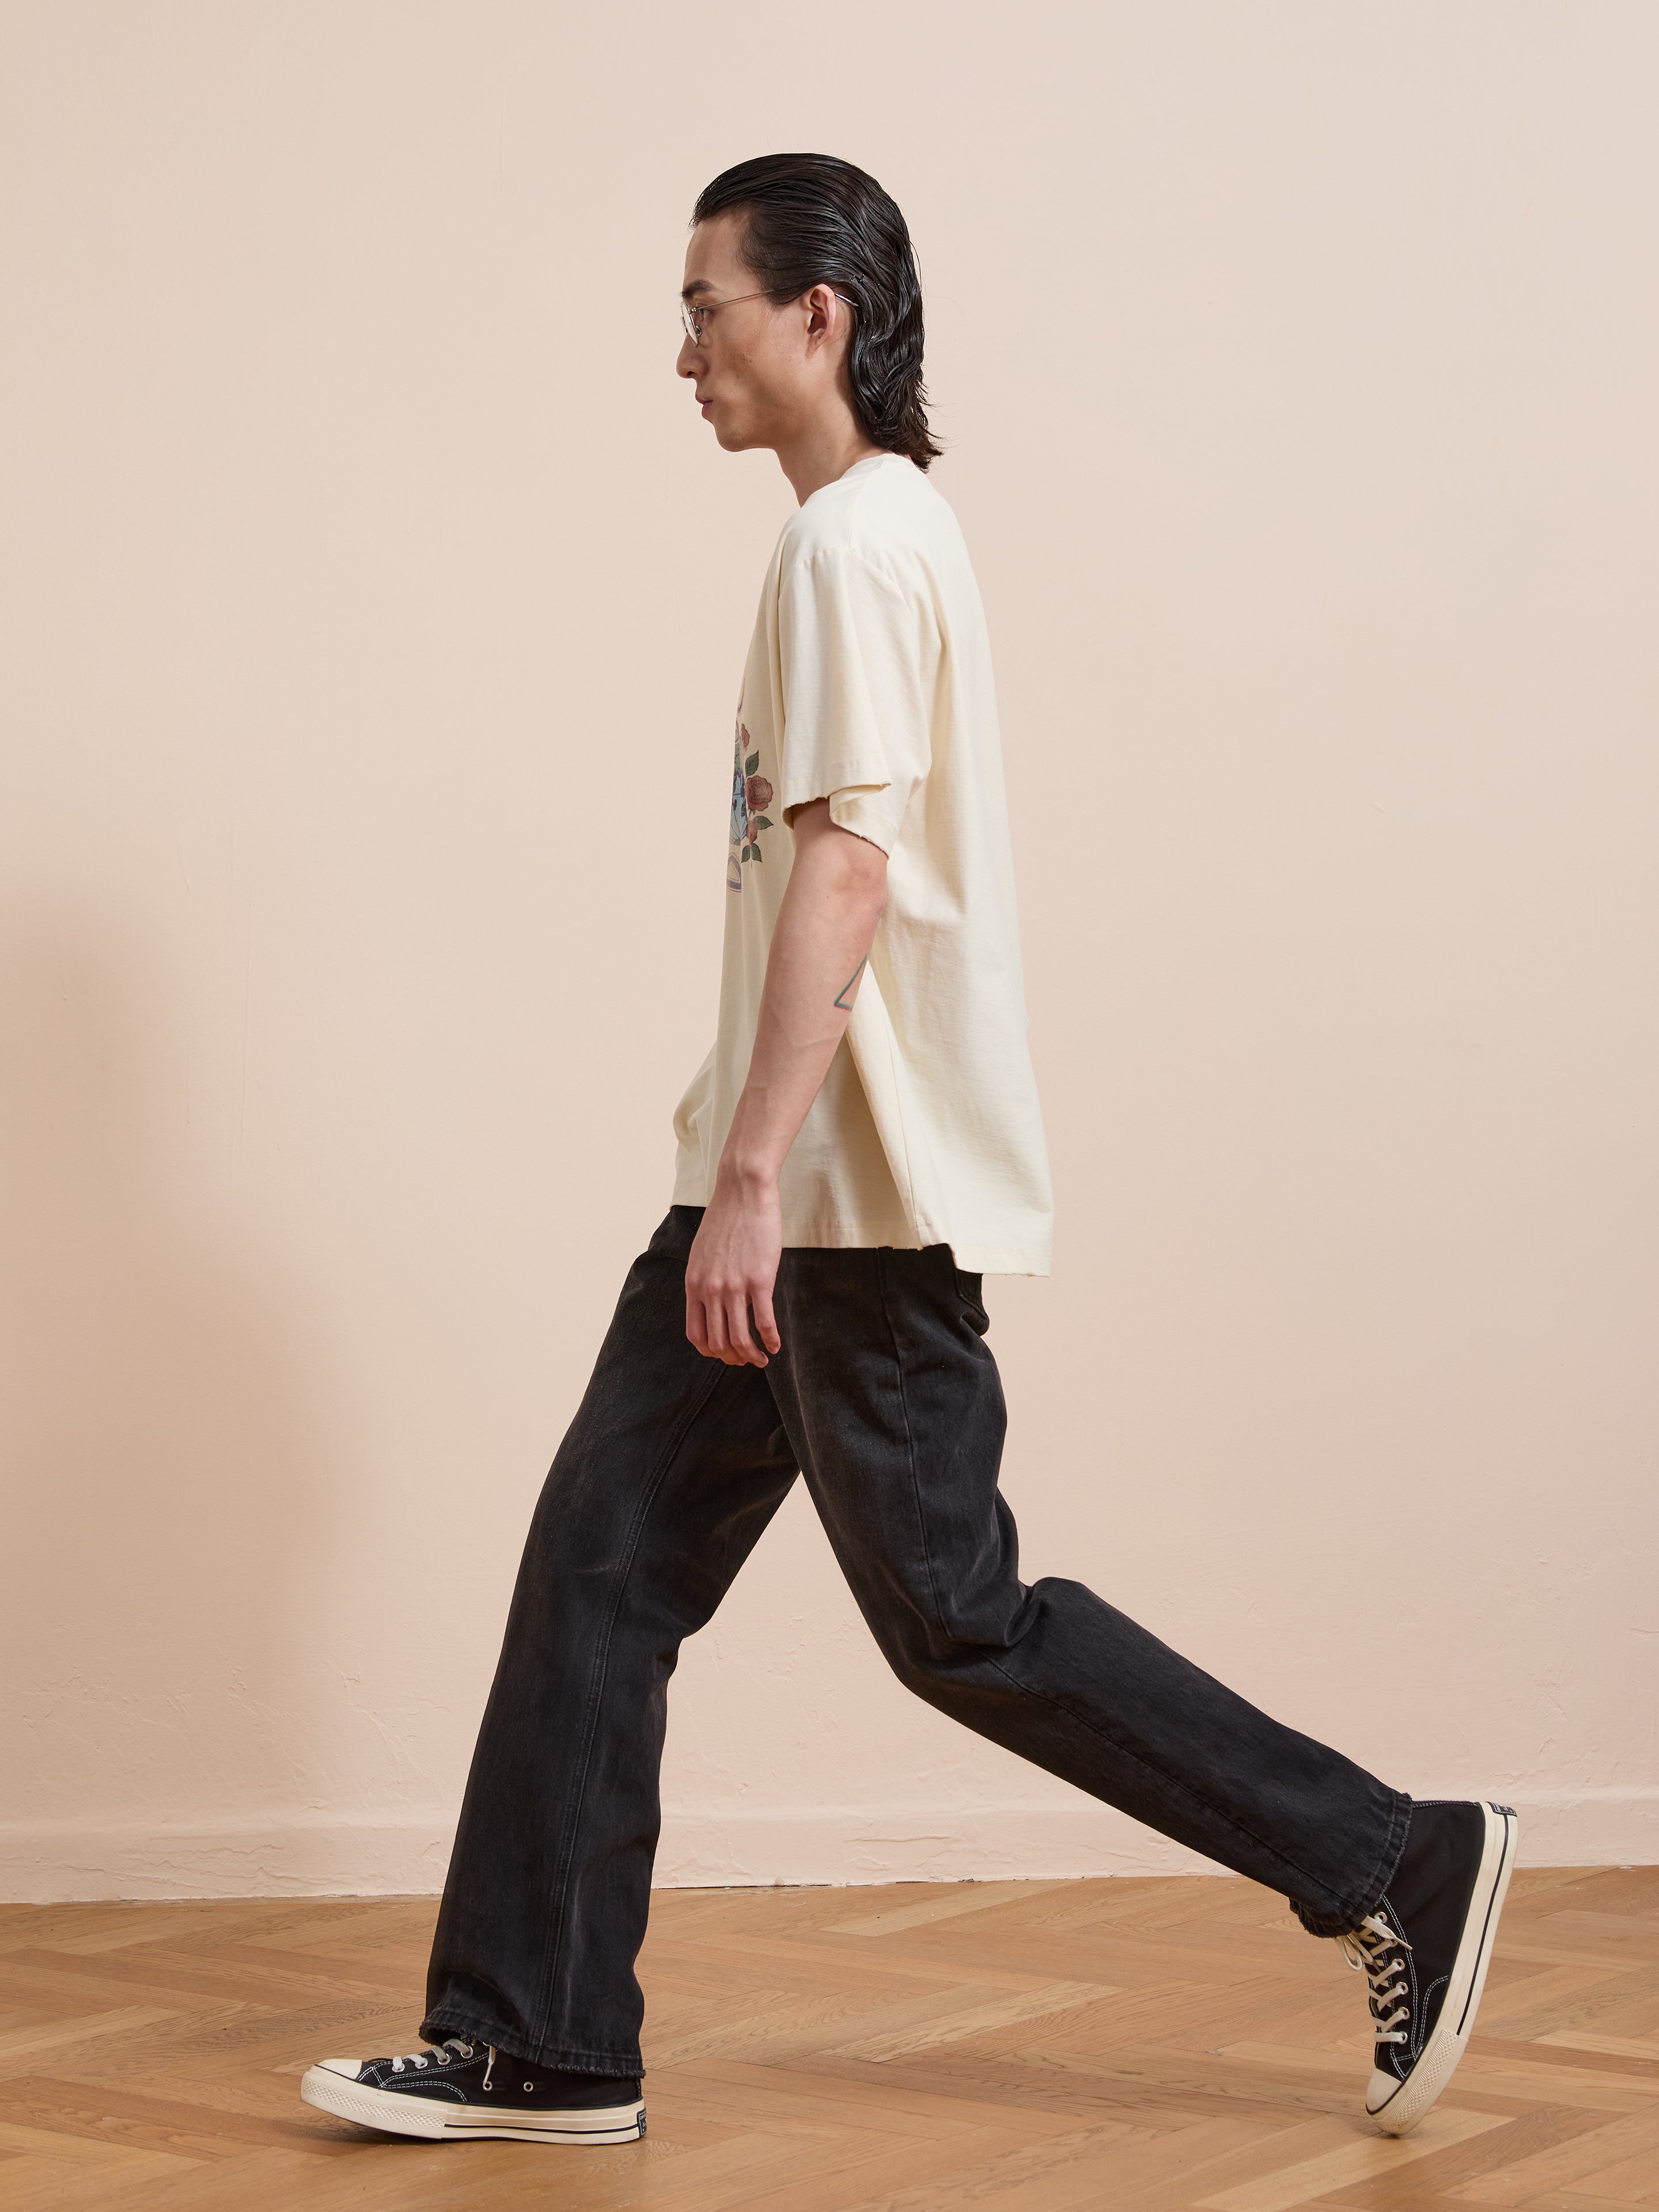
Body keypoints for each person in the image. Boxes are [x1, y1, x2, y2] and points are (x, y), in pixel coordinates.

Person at [301, 152, 1516, 2153]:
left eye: (706, 304)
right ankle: (541, 2036)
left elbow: (847, 871)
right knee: (602, 1576)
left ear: (820, 317)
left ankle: (1395, 1856)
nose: (679, 346)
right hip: (786, 1187)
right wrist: (739, 1168)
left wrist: (759, 1182)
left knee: (958, 1616)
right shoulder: (871, 536)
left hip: (832, 1206)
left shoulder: (856, 549)